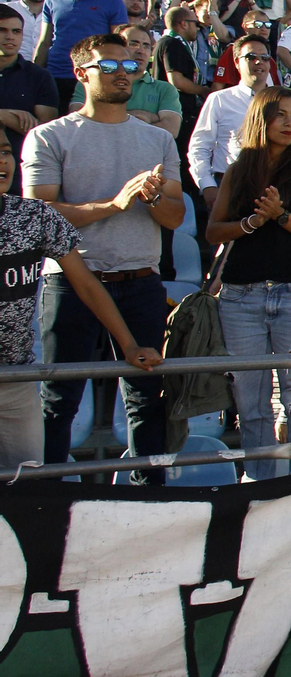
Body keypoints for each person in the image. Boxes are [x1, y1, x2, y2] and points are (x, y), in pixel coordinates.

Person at [23, 33, 183, 482]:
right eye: (108, 67)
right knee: (59, 401)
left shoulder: (156, 140)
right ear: (80, 74)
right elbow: (40, 213)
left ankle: (149, 501)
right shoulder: (48, 136)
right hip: (71, 283)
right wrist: (113, 205)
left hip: (141, 281)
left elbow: (174, 216)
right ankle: (49, 502)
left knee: (147, 398)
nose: (123, 74)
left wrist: (150, 199)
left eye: (130, 66)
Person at [0, 131, 161, 471]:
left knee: (30, 486)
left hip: (15, 380)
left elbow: (86, 284)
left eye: (5, 152)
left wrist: (129, 345)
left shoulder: (34, 216)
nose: (3, 161)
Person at [204, 88, 291, 479]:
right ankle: (259, 487)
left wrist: (279, 216)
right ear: (262, 117)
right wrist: (251, 224)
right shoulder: (240, 167)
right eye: (282, 115)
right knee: (251, 404)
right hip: (240, 296)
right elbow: (213, 231)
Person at [34, 0, 129, 111]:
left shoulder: (113, 1)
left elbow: (119, 44)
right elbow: (44, 41)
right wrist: (34, 73)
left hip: (92, 77)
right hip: (55, 75)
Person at [0, 5, 57, 195]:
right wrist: (5, 116)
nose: (10, 37)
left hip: (18, 176)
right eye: (3, 30)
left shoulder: (39, 76)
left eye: (16, 31)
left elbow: (45, 131)